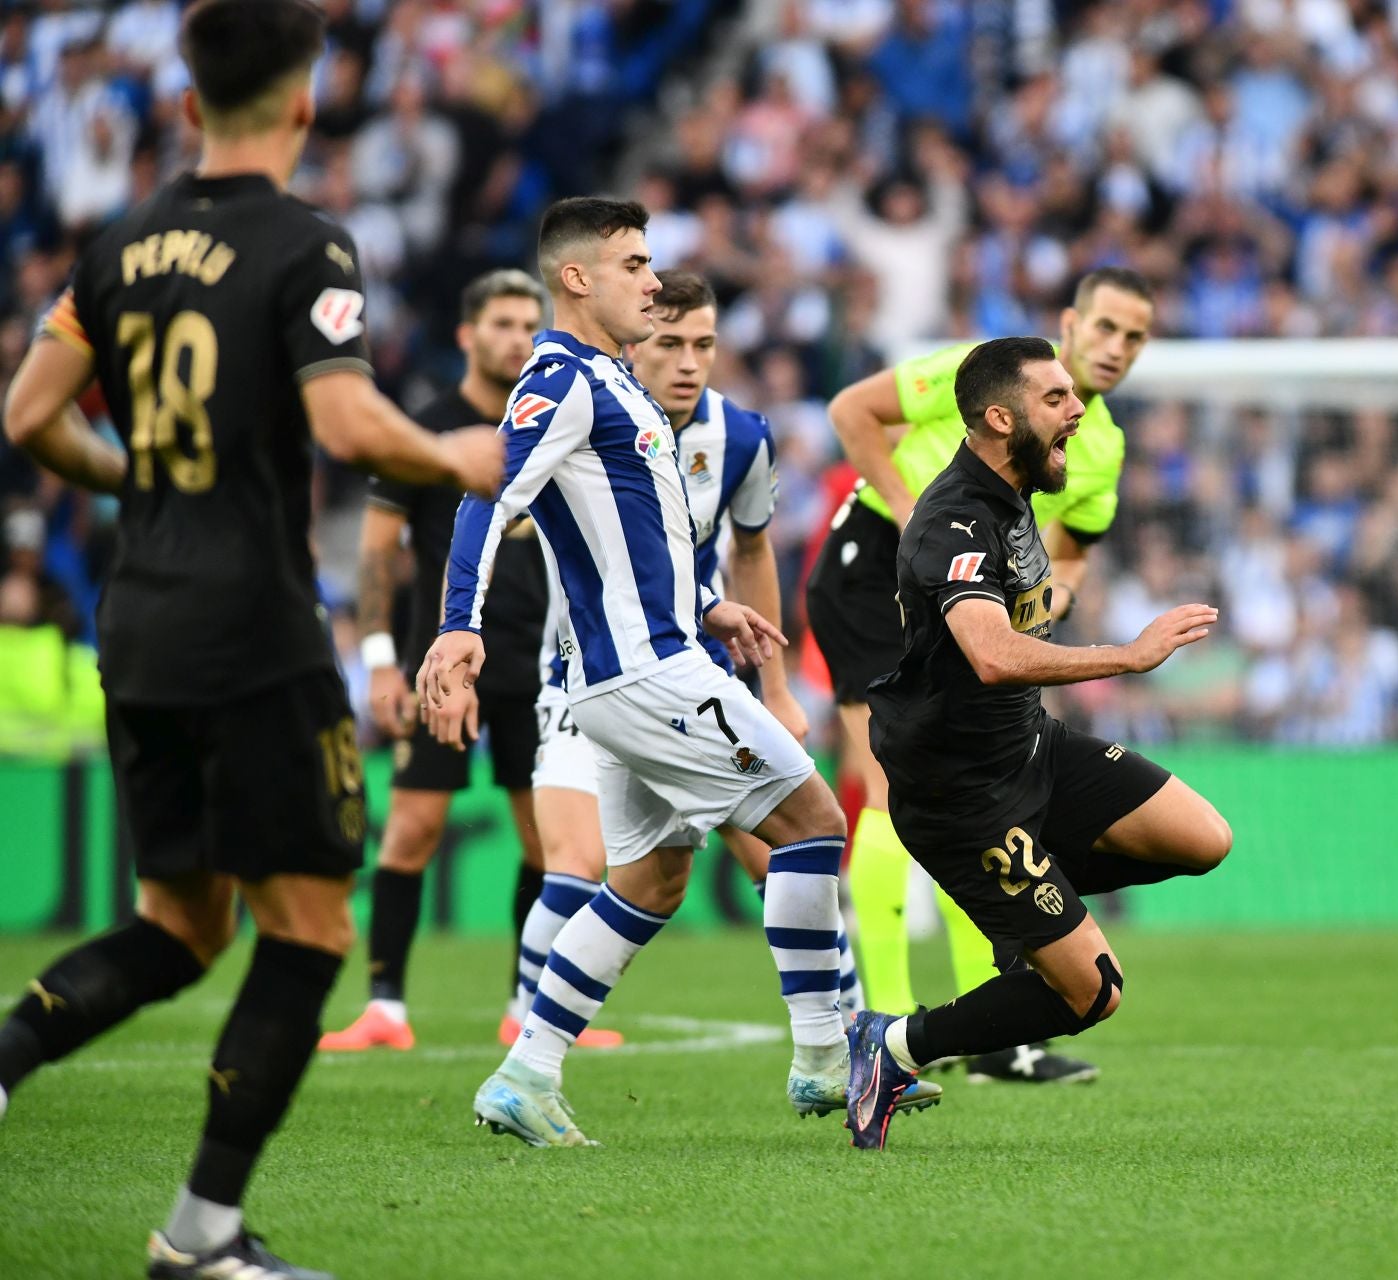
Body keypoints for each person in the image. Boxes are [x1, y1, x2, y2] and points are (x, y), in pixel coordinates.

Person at [0, 3, 502, 1276]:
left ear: (187, 105)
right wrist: (453, 453)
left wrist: (132, 477)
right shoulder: (305, 243)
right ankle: (202, 1234)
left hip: (139, 617)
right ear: (305, 103)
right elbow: (344, 422)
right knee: (312, 928)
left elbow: (30, 412)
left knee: (181, 922)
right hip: (253, 628)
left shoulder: (117, 246)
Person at [419, 197, 877, 1147]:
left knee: (653, 881)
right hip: (648, 676)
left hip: (640, 668)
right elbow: (487, 494)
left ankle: (526, 1074)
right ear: (577, 277)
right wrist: (458, 628)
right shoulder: (561, 379)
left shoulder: (612, 381)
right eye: (633, 264)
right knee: (814, 824)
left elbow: (625, 541)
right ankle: (827, 1059)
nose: (652, 280)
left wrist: (707, 603)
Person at [843, 337, 1232, 1150]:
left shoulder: (1017, 494)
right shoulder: (952, 520)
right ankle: (894, 1045)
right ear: (999, 418)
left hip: (1032, 749)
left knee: (1203, 839)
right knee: (1095, 994)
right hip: (963, 798)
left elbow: (1034, 603)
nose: (1078, 409)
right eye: (1055, 399)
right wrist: (1129, 655)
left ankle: (1024, 913)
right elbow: (991, 654)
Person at [494, 269, 872, 1041]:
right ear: (635, 343)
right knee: (578, 862)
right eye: (670, 343)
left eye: (704, 344)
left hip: (698, 675)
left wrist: (776, 686)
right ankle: (523, 1029)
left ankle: (852, 1023)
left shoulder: (741, 438)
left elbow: (754, 553)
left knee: (759, 856)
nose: (689, 362)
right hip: (584, 671)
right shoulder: (590, 411)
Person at [806, 267, 1153, 1084]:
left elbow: (1074, 551)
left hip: (974, 604)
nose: (1116, 348)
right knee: (889, 788)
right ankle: (883, 1024)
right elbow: (851, 410)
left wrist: (1045, 601)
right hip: (874, 571)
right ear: (1072, 322)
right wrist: (910, 516)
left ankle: (990, 1037)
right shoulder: (985, 373)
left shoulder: (1100, 446)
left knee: (985, 799)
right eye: (1105, 327)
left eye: (1135, 337)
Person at [320, 269, 587, 1053]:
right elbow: (378, 553)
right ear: (468, 335)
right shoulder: (428, 431)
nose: (517, 338)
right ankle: (385, 1008)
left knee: (544, 842)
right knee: (411, 830)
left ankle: (525, 1007)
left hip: (538, 666)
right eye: (501, 323)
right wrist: (379, 662)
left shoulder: (560, 418)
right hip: (443, 665)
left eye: (528, 324)